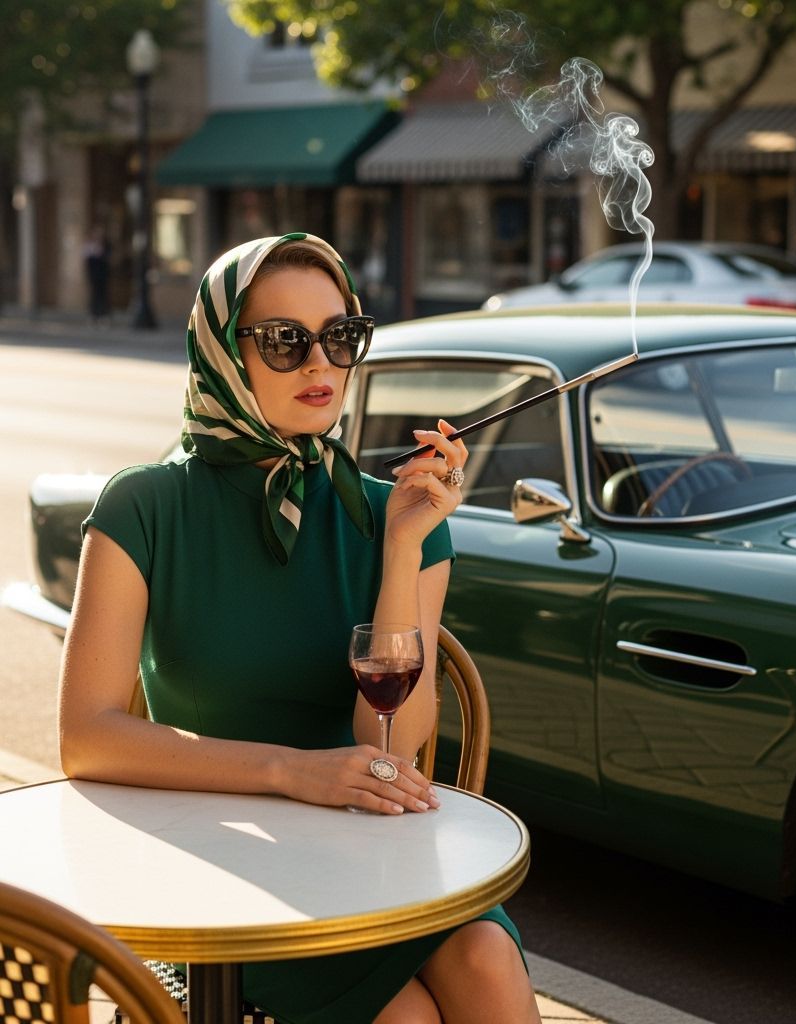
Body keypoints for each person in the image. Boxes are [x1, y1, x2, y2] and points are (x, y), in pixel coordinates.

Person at [58, 232, 541, 1024]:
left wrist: (399, 550)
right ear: (222, 352)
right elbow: (88, 736)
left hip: (375, 864)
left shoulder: (402, 515)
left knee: (488, 958)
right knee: (407, 1019)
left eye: (341, 337)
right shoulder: (142, 507)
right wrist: (291, 770)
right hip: (224, 870)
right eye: (285, 341)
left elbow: (390, 749)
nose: (321, 365)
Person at [82, 224, 111, 325]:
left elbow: (108, 260)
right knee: (95, 295)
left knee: (103, 295)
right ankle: (94, 315)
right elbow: (87, 262)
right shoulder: (89, 246)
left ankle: (104, 315)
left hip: (103, 276)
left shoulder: (105, 246)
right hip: (94, 276)